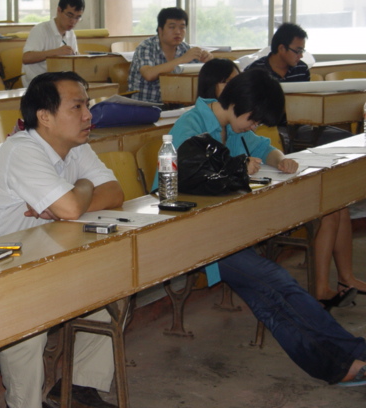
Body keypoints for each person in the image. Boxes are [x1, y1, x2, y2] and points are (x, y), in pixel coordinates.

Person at [154, 69, 366, 387]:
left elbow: (264, 147)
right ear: (238, 103)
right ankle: (348, 358)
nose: (253, 127)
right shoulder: (191, 125)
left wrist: (280, 160)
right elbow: (181, 180)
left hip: (225, 230)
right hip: (190, 234)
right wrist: (236, 167)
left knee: (269, 296)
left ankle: (341, 363)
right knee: (276, 282)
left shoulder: (233, 126)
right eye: (253, 120)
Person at [0, 71, 125, 408]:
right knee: (29, 321)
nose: (88, 115)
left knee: (111, 289)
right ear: (44, 116)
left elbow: (115, 193)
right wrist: (82, 188)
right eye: (77, 107)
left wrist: (74, 198)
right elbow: (70, 208)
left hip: (44, 251)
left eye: (87, 105)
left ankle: (79, 387)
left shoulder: (76, 146)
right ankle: (23, 404)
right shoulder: (22, 150)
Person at [244, 23, 365, 305]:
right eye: (297, 51)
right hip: (274, 133)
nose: (300, 56)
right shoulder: (257, 74)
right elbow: (263, 127)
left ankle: (346, 277)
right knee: (329, 205)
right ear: (280, 48)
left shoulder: (300, 70)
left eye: (302, 51)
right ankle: (324, 287)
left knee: (339, 200)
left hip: (296, 134)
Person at [128, 7, 213, 104]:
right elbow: (149, 74)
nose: (178, 32)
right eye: (172, 27)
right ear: (160, 30)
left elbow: (201, 76)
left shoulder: (185, 48)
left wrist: (208, 62)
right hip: (145, 106)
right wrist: (183, 59)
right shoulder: (146, 46)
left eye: (182, 27)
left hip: (177, 105)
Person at [21, 0, 84, 85]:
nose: (73, 21)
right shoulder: (41, 30)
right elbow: (26, 58)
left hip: (59, 82)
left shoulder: (71, 34)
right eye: (69, 15)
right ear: (59, 10)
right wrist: (56, 52)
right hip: (37, 83)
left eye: (77, 17)